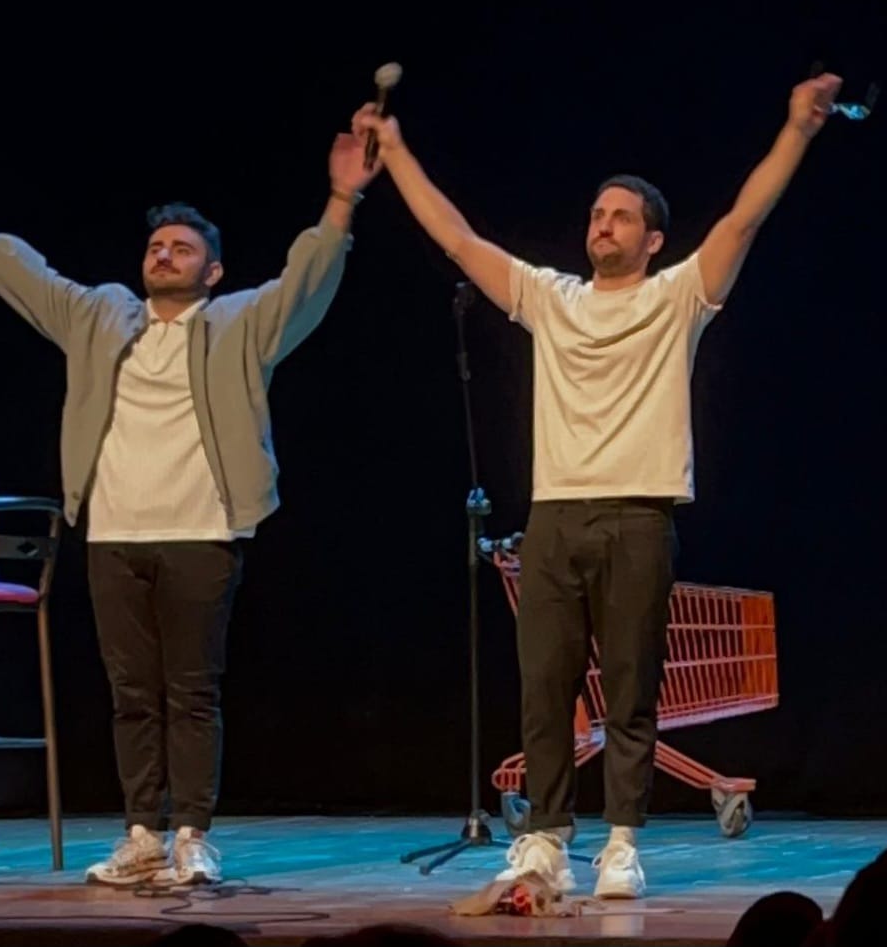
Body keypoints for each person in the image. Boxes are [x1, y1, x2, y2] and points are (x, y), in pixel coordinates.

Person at [354, 71, 845, 899]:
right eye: (595, 213)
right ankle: (543, 837)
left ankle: (621, 841)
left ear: (652, 239)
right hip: (553, 519)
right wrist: (396, 153)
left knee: (629, 686)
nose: (602, 224)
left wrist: (797, 129)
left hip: (638, 515)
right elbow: (457, 238)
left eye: (620, 215)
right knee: (544, 688)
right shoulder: (553, 299)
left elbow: (743, 216)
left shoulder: (676, 295)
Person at [0, 123, 378, 886]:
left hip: (201, 530)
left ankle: (192, 833)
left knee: (191, 689)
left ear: (212, 270)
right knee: (129, 695)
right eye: (157, 246)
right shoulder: (101, 316)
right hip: (113, 533)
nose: (164, 255)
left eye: (183, 249)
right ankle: (142, 832)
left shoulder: (239, 324)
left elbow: (307, 280)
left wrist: (342, 196)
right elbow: (26, 277)